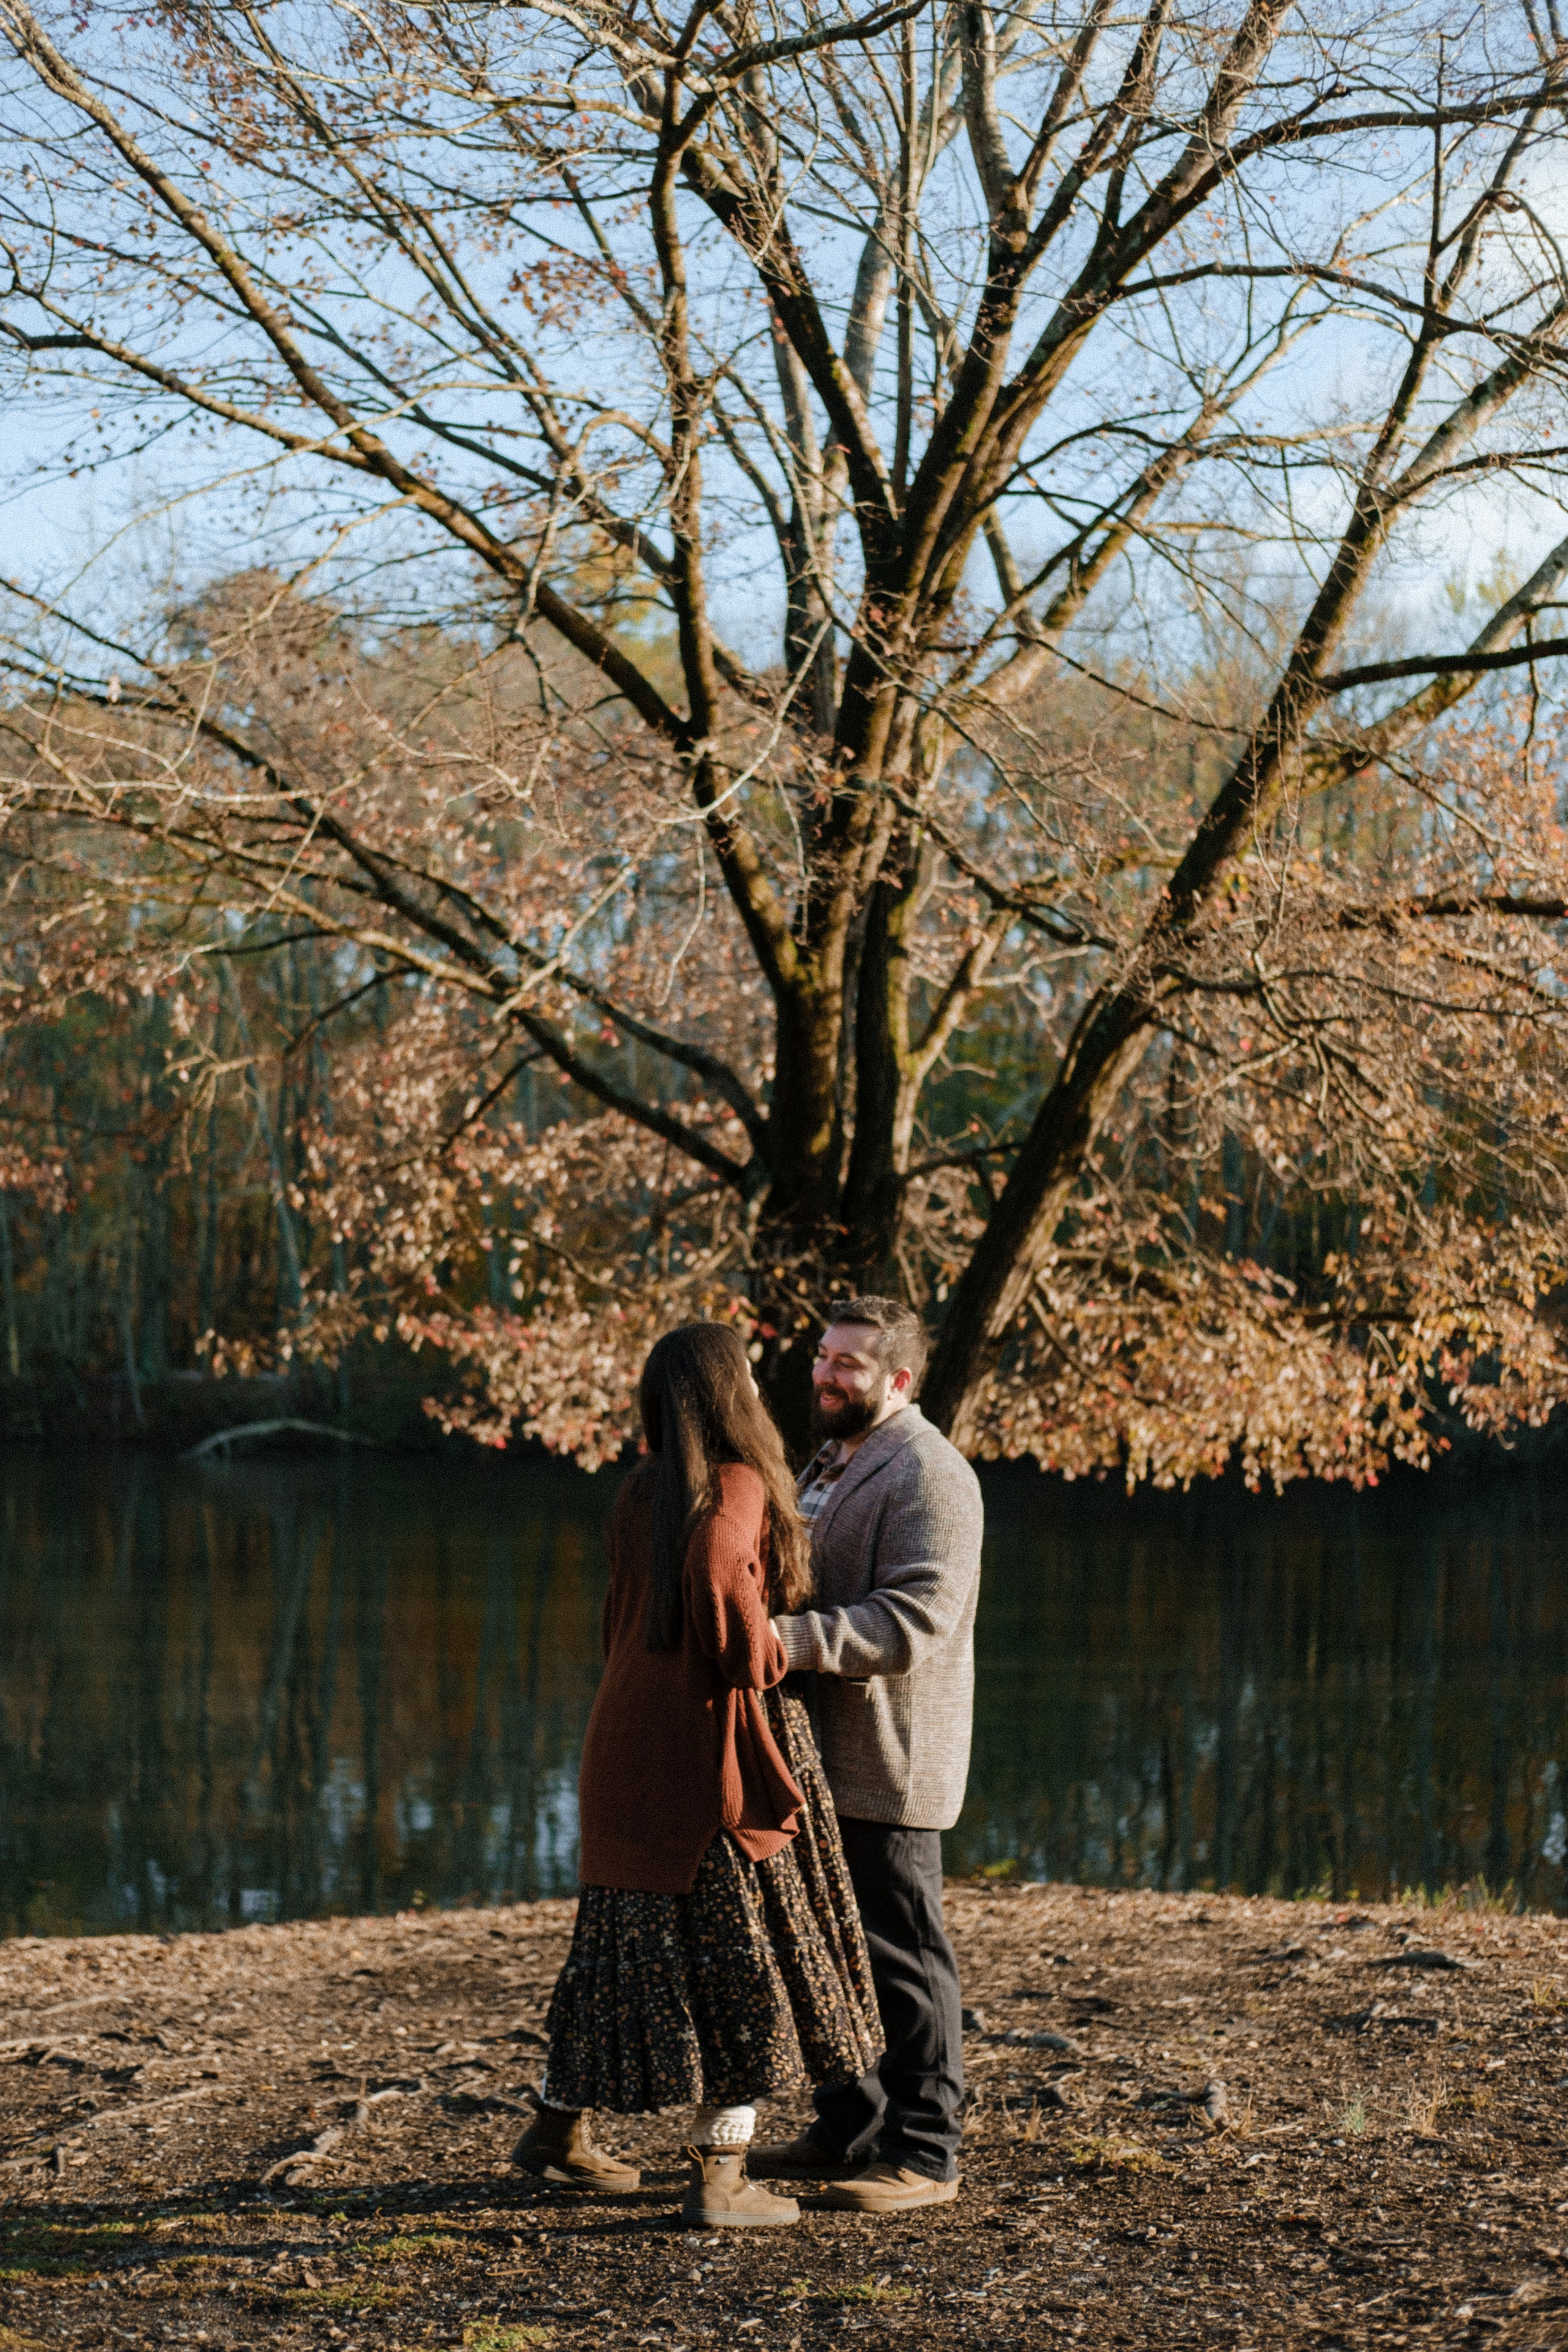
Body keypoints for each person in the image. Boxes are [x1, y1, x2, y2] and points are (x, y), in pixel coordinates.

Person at [510, 1321, 881, 2229]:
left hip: (624, 1741)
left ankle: (556, 2134)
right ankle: (722, 2179)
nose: (758, 1387)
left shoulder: (643, 1488)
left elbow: (626, 1616)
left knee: (615, 1951)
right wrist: (765, 1649)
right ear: (724, 1394)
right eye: (746, 1375)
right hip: (707, 1756)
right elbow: (726, 1592)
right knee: (741, 1964)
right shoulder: (737, 1485)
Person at [750, 1297, 984, 2215]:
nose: (824, 1374)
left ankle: (926, 2153)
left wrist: (783, 1642)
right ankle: (848, 2126)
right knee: (826, 1951)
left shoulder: (930, 1473)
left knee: (904, 1959)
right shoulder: (828, 1461)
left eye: (847, 1364)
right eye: (822, 1356)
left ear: (900, 1380)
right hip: (815, 1757)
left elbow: (915, 1622)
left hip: (891, 1762)